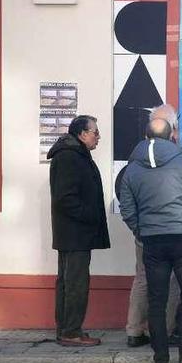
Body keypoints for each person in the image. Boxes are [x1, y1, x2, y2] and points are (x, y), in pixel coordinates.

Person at [118, 118, 182, 363]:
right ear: (172, 136)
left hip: (152, 241)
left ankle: (160, 359)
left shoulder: (132, 168)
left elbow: (127, 207)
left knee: (156, 299)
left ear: (146, 135)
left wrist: (140, 229)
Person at [121, 104, 182, 348]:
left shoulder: (135, 158)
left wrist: (137, 227)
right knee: (172, 280)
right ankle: (165, 331)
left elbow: (127, 199)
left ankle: (134, 330)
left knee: (143, 277)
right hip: (173, 230)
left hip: (144, 230)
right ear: (172, 130)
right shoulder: (179, 158)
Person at [48, 115, 110, 347]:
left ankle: (67, 329)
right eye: (95, 132)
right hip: (75, 234)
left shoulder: (73, 155)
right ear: (82, 134)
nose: (98, 137)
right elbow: (65, 199)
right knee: (75, 283)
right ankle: (71, 332)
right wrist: (90, 215)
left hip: (73, 233)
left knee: (69, 282)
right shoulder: (69, 157)